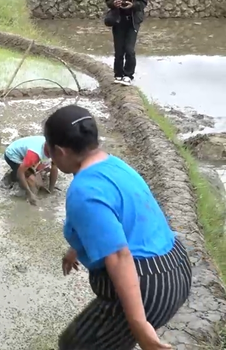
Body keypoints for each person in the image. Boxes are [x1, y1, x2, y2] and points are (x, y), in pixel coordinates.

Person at [44, 105, 192, 350]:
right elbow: (115, 222)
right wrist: (76, 250)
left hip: (148, 282)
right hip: (176, 265)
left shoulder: (84, 190)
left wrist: (139, 325)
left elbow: (118, 256)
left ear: (59, 151)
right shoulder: (114, 165)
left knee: (74, 346)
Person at [4, 135, 58, 205]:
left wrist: (51, 190)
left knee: (41, 181)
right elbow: (20, 172)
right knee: (33, 182)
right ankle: (13, 177)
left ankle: (27, 169)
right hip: (12, 155)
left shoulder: (56, 150)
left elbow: (54, 167)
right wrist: (30, 194)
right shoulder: (34, 154)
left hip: (27, 153)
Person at [107, 0, 147, 86]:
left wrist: (133, 5)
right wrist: (114, 4)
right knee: (118, 49)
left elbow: (143, 3)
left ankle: (128, 75)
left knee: (129, 49)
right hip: (118, 21)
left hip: (132, 23)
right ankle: (118, 74)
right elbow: (108, 2)